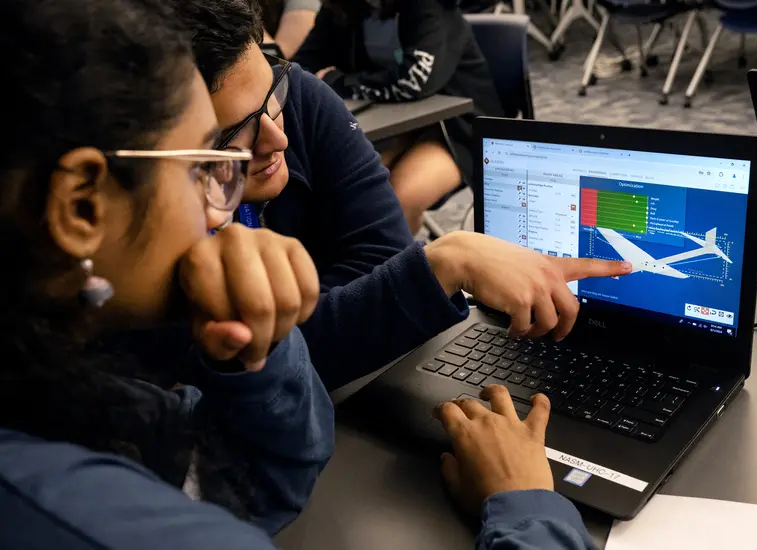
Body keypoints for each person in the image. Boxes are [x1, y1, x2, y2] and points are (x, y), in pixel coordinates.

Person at [0, 1, 593, 548]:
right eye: (206, 159)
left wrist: (265, 342)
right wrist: (527, 507)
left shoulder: (78, 395)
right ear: (81, 206)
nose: (216, 212)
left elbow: (249, 486)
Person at [171, 0, 633, 392]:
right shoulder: (341, 15)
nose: (277, 138)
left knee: (404, 191)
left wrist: (325, 318)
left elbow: (379, 261)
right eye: (234, 135)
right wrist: (409, 280)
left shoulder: (301, 95)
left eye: (274, 94)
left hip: (456, 127)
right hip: (406, 120)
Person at [292, 0, 506, 234]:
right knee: (346, 186)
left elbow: (416, 80)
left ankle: (402, 268)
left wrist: (338, 81)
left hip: (458, 128)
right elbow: (301, 67)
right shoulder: (344, 8)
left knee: (400, 197)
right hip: (395, 125)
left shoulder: (429, 6)